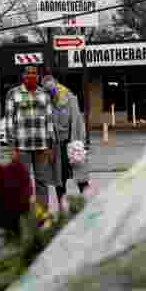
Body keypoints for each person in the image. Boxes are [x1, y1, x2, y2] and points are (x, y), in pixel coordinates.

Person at [4, 65, 56, 211]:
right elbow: (9, 122)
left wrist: (51, 146)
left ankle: (42, 213)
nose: (31, 76)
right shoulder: (13, 94)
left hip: (42, 146)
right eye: (28, 74)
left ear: (38, 77)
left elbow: (49, 121)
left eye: (34, 74)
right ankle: (23, 212)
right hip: (21, 147)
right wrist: (12, 147)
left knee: (42, 181)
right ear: (23, 77)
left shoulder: (44, 94)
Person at [40, 68, 90, 204]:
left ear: (56, 83)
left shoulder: (69, 97)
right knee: (59, 181)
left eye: (52, 89)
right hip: (56, 146)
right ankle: (62, 207)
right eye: (47, 90)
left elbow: (77, 122)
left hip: (72, 143)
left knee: (81, 178)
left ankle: (90, 205)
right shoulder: (45, 101)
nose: (51, 93)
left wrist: (81, 143)